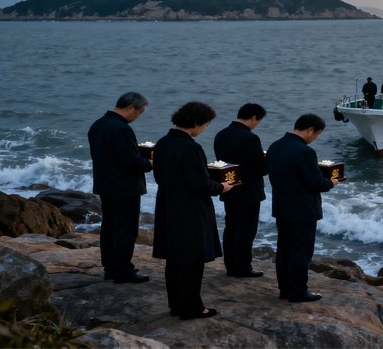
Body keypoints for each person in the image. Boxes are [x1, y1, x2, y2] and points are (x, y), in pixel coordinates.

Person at [152, 101, 236, 320]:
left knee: (174, 258)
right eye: (206, 124)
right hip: (189, 208)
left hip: (167, 204)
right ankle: (192, 308)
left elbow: (159, 175)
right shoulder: (191, 147)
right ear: (196, 122)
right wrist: (221, 187)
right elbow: (200, 183)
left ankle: (176, 305)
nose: (206, 128)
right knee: (192, 258)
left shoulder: (162, 142)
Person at [267, 114, 339, 303]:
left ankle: (285, 289)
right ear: (310, 129)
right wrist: (330, 183)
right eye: (317, 134)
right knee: (301, 252)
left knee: (284, 249)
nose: (316, 138)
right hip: (303, 209)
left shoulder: (275, 146)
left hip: (281, 206)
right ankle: (298, 292)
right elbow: (315, 182)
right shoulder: (304, 151)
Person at [88, 92, 153, 284]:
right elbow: (133, 162)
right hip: (125, 188)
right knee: (126, 230)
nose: (138, 116)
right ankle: (123, 271)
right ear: (130, 107)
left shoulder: (98, 124)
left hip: (105, 184)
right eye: (139, 112)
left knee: (109, 227)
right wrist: (152, 162)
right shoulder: (121, 128)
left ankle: (111, 268)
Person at [213, 103, 269, 278]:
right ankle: (243, 267)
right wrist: (266, 159)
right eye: (258, 121)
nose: (257, 124)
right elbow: (260, 168)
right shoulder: (250, 138)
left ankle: (231, 266)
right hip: (249, 191)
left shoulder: (221, 134)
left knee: (231, 229)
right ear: (254, 118)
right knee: (246, 231)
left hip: (228, 188)